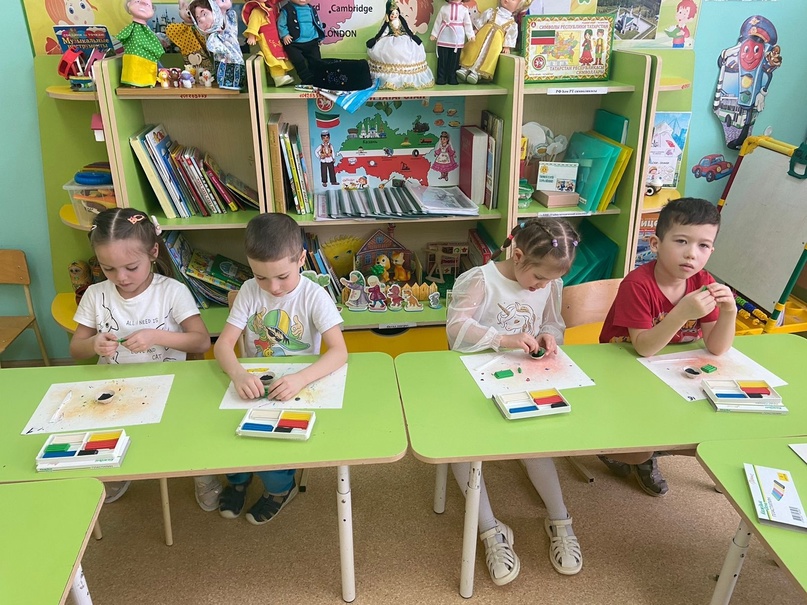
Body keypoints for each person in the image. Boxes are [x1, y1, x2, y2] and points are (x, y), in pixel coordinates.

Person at [446, 217, 583, 584]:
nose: (542, 286)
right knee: (460, 447)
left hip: (524, 376)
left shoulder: (549, 284)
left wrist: (550, 336)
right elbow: (456, 328)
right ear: (518, 256)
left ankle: (560, 519)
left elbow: (552, 323)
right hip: (473, 377)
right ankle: (490, 529)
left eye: (549, 281)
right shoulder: (480, 279)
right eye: (538, 278)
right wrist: (502, 339)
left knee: (535, 442)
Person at [69, 209, 218, 508]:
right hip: (116, 385)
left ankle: (203, 473)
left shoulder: (172, 291)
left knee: (189, 429)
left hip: (170, 384)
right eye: (108, 269)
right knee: (101, 425)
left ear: (153, 253)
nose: (121, 277)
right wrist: (94, 344)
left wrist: (157, 336)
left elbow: (201, 340)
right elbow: (76, 349)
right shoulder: (95, 295)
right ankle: (115, 469)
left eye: (131, 267)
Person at [213, 213, 347, 524]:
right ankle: (238, 480)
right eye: (260, 277)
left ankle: (280, 489)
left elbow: (339, 352)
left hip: (296, 386)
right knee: (228, 433)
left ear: (301, 259)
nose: (272, 287)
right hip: (255, 382)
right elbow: (223, 345)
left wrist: (301, 378)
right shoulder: (249, 290)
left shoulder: (314, 296)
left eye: (282, 277)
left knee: (274, 440)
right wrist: (238, 373)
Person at [598, 198, 737, 496]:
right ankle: (629, 451)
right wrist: (682, 312)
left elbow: (716, 347)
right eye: (681, 241)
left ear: (711, 251)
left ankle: (648, 450)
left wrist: (730, 312)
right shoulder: (637, 284)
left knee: (705, 423)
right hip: (623, 365)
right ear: (656, 244)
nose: (691, 253)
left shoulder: (703, 281)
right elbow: (643, 348)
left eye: (703, 245)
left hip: (670, 369)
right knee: (640, 442)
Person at [366, 0, 435, 90]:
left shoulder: (401, 21)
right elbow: (383, 32)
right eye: (392, 14)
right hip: (390, 39)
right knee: (392, 51)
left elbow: (407, 29)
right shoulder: (387, 23)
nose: (394, 15)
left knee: (409, 49)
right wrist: (379, 39)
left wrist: (411, 35)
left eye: (396, 13)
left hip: (403, 37)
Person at [457, 0, 525, 85]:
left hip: (495, 44)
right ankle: (465, 68)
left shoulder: (512, 24)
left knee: (488, 56)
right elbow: (481, 21)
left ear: (519, 6)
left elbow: (510, 36)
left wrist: (507, 46)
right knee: (473, 49)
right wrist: (476, 30)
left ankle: (477, 73)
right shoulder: (491, 12)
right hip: (481, 37)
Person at [189, 0, 246, 90]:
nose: (202, 19)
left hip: (235, 60)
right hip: (223, 63)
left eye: (204, 14)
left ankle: (235, 82)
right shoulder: (212, 36)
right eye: (198, 19)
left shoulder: (228, 20)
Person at [242, 0, 295, 87]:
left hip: (275, 35)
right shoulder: (257, 10)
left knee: (280, 54)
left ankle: (282, 75)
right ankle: (278, 77)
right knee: (271, 55)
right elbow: (253, 23)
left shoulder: (269, 7)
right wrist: (252, 36)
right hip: (265, 36)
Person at [277, 0, 326, 86]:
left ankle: (316, 78)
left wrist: (320, 36)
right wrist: (285, 35)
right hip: (294, 43)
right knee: (298, 61)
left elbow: (317, 23)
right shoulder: (286, 9)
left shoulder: (311, 9)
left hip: (312, 41)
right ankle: (306, 78)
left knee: (316, 60)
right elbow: (281, 24)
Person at [117, 0, 164, 87]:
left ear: (152, 10)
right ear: (128, 4)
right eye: (137, 1)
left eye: (148, 5)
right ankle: (134, 80)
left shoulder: (147, 30)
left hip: (148, 57)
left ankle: (151, 78)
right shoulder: (133, 28)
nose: (143, 4)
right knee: (134, 64)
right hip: (134, 56)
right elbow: (122, 36)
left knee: (150, 64)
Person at [429, 0, 475, 85]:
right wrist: (434, 34)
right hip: (444, 36)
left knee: (454, 60)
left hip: (457, 38)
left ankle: (452, 77)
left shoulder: (464, 10)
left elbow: (467, 24)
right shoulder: (444, 8)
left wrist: (470, 35)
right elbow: (438, 21)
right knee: (442, 59)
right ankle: (441, 77)